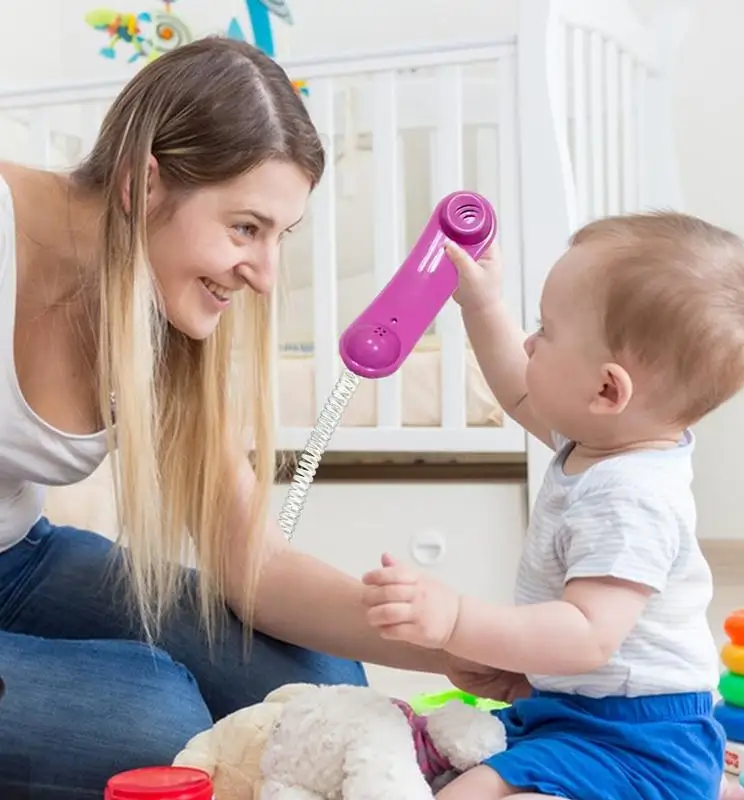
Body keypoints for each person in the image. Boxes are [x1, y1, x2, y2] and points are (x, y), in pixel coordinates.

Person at [0, 36, 494, 800]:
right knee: (153, 717)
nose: (265, 277)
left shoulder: (163, 300)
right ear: (142, 184)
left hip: (16, 560)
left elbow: (249, 565)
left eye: (278, 237)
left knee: (319, 686)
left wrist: (461, 645)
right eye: (245, 228)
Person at [362, 211, 744, 800]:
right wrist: (482, 305)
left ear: (607, 389)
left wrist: (456, 620)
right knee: (446, 765)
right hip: (578, 711)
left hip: (638, 739)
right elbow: (519, 385)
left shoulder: (630, 496)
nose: (529, 342)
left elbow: (586, 634)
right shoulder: (600, 440)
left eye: (545, 330)